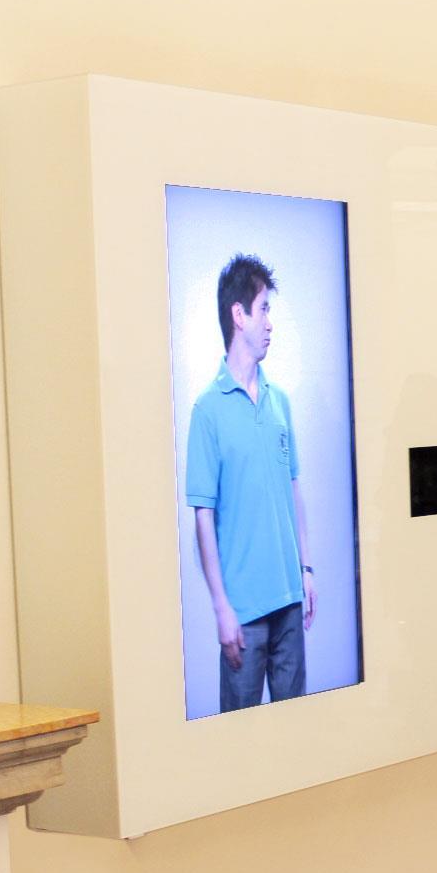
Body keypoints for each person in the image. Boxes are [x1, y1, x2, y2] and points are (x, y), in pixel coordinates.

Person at [186, 254, 316, 713]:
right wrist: (221, 605)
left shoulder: (280, 402)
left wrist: (305, 569)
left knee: (295, 742)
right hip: (244, 615)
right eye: (263, 309)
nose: (270, 323)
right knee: (240, 752)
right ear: (238, 315)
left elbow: (293, 489)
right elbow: (204, 517)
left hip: (288, 602)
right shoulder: (208, 410)